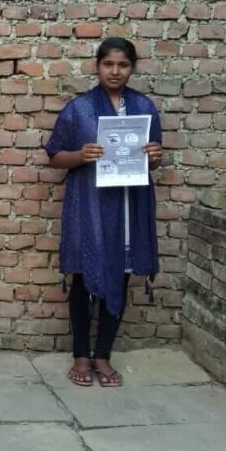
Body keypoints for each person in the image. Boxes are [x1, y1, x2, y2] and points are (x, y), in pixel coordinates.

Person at [43, 37, 164, 388]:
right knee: (82, 276)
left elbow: (153, 159)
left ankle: (103, 355)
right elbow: (54, 156)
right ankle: (81, 353)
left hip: (128, 205)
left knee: (121, 276)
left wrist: (155, 156)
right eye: (108, 64)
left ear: (132, 67)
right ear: (97, 66)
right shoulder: (78, 108)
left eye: (123, 65)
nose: (115, 71)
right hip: (90, 206)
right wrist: (82, 155)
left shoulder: (143, 107)